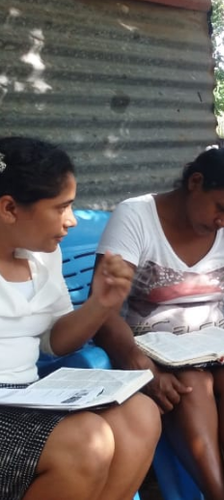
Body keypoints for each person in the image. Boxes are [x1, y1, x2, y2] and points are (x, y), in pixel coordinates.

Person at [93, 147, 224, 500]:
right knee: (190, 383)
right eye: (221, 208)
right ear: (195, 182)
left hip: (219, 344)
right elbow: (102, 309)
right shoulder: (136, 217)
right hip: (154, 349)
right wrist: (138, 364)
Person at [0, 136, 161, 500]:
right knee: (87, 440)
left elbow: (55, 343)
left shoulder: (43, 257)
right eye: (61, 207)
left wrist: (101, 304)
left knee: (141, 414)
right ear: (10, 208)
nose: (71, 221)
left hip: (28, 398)